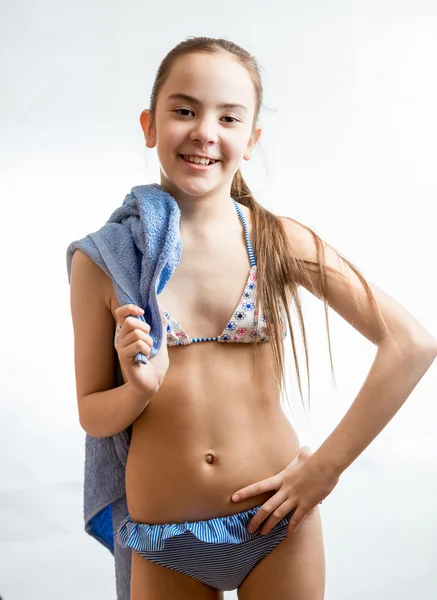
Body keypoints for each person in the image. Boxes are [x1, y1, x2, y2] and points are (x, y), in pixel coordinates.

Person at [69, 36, 437, 600]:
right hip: (164, 537)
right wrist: (138, 390)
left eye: (229, 117)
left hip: (277, 524)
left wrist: (326, 469)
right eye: (184, 110)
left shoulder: (278, 240)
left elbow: (410, 344)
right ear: (150, 125)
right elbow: (93, 413)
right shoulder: (106, 261)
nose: (204, 131)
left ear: (251, 139)